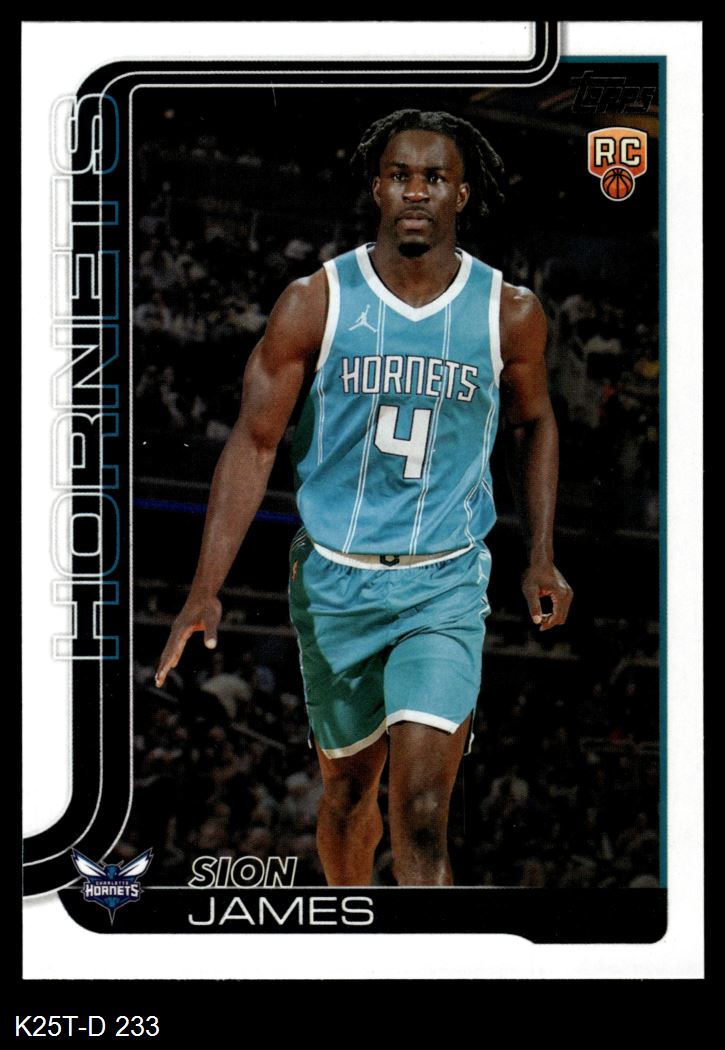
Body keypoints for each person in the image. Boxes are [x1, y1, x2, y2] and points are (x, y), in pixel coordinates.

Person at [155, 109, 573, 887]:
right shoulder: (313, 302)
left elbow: (533, 421)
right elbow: (253, 443)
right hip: (332, 584)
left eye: (434, 178)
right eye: (400, 176)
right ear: (377, 188)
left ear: (460, 195)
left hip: (442, 585)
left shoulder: (508, 311)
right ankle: (356, 924)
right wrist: (204, 588)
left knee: (420, 811)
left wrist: (540, 554)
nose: (416, 191)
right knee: (348, 796)